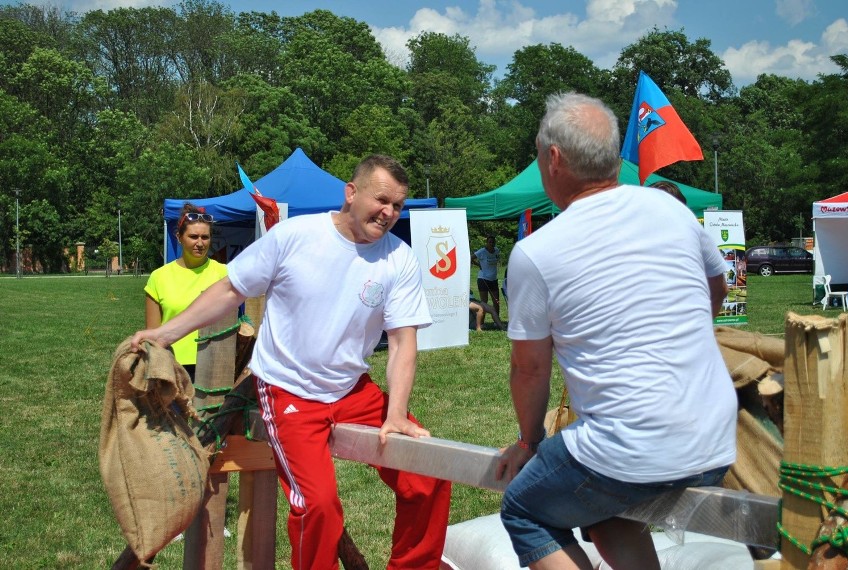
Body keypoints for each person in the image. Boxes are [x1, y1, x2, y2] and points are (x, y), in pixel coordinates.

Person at [131, 155, 452, 569]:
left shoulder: (399, 257)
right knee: (318, 506)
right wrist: (164, 334)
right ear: (351, 193)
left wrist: (395, 414)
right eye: (382, 200)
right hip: (288, 389)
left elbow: (403, 341)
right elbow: (232, 289)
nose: (389, 213)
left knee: (427, 477)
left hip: (354, 389)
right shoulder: (297, 236)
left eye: (398, 206)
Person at [495, 92, 737, 570]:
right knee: (609, 514)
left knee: (525, 511)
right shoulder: (671, 211)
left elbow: (529, 369)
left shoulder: (536, 252)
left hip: (633, 452)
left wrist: (527, 442)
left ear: (554, 159)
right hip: (716, 443)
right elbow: (717, 287)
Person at [144, 203, 228, 381]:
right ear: (179, 237)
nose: (200, 243)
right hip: (172, 366)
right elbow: (153, 334)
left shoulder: (225, 274)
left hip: (216, 365)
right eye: (193, 236)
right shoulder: (159, 277)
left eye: (205, 237)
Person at [472, 235, 501, 323]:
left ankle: (497, 321)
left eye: (493, 242)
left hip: (493, 279)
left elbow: (497, 259)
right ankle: (481, 322)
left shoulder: (496, 250)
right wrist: (478, 264)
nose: (491, 244)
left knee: (496, 301)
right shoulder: (482, 251)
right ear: (487, 243)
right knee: (484, 301)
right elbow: (470, 258)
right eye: (490, 242)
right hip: (483, 279)